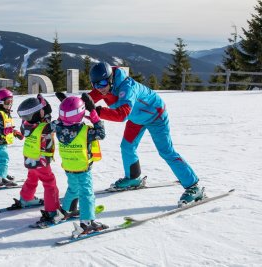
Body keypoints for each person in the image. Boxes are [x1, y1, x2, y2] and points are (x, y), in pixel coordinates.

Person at [87, 62, 205, 206]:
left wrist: (97, 111)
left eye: (104, 83)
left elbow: (122, 115)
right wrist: (69, 105)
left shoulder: (127, 87)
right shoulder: (101, 88)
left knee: (166, 151)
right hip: (137, 119)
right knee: (127, 147)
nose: (100, 88)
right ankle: (133, 178)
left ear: (111, 79)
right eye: (96, 85)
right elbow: (86, 100)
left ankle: (194, 187)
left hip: (156, 116)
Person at [54, 94, 108, 236]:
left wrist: (66, 103)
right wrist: (93, 111)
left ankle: (65, 211)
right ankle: (87, 223)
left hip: (68, 166)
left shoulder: (57, 127)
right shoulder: (86, 131)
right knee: (86, 194)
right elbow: (101, 133)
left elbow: (62, 120)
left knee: (73, 188)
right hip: (83, 168)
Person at [12, 94, 60, 225]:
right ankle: (52, 210)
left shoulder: (25, 125)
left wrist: (43, 106)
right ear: (37, 114)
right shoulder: (44, 128)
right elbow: (59, 123)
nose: (44, 111)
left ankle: (26, 198)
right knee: (49, 183)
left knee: (32, 178)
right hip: (41, 161)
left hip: (30, 159)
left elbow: (45, 117)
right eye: (41, 110)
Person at [0, 88, 24, 189]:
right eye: (7, 102)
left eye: (11, 101)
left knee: (0, 158)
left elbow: (6, 126)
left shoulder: (3, 111)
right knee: (4, 158)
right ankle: (0, 178)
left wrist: (14, 132)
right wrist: (9, 131)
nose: (10, 104)